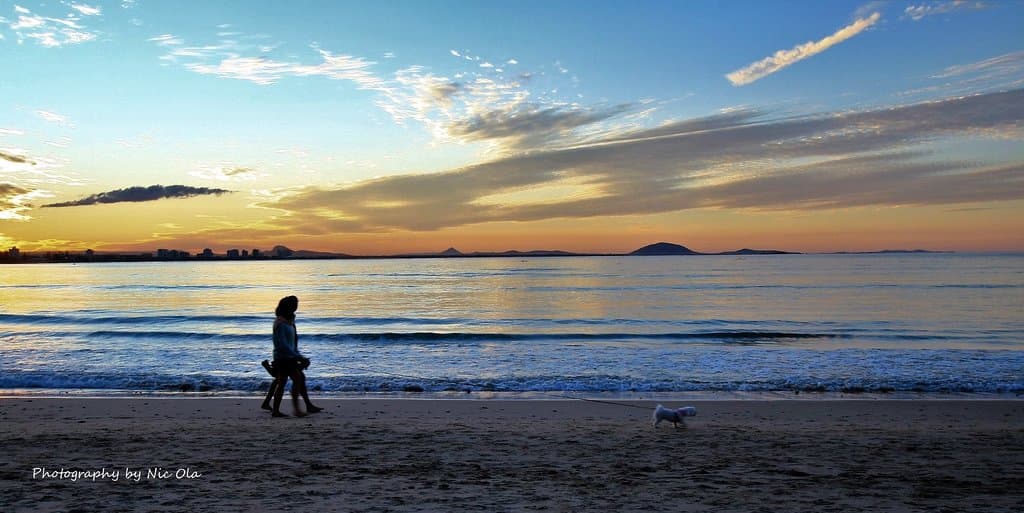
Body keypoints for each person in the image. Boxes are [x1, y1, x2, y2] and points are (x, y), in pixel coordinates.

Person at [267, 295, 322, 417]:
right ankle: (297, 409)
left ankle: (277, 411)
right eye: (294, 305)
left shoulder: (290, 322)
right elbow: (282, 344)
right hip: (283, 358)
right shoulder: (280, 323)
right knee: (297, 379)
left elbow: (293, 343)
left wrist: (298, 356)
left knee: (283, 382)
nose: (296, 307)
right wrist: (298, 357)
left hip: (289, 357)